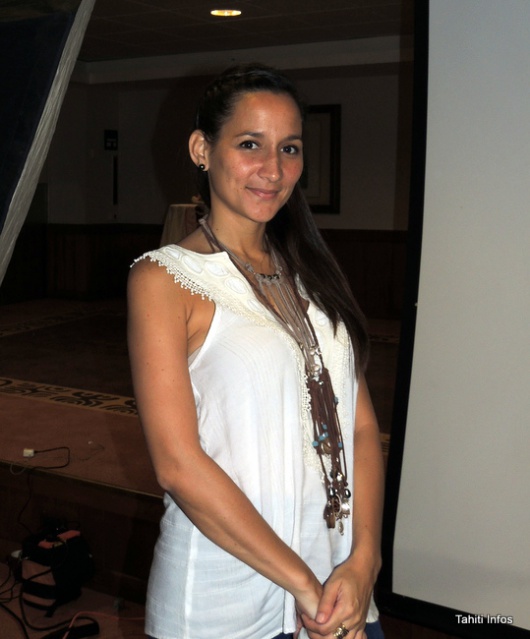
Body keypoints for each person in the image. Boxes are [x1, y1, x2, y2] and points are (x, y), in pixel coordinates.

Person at [127, 63, 385, 639]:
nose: (273, 169)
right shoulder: (165, 280)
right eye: (250, 144)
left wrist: (365, 562)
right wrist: (304, 585)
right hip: (226, 604)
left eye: (289, 148)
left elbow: (361, 428)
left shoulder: (312, 273)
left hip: (341, 590)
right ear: (202, 149)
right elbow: (177, 463)